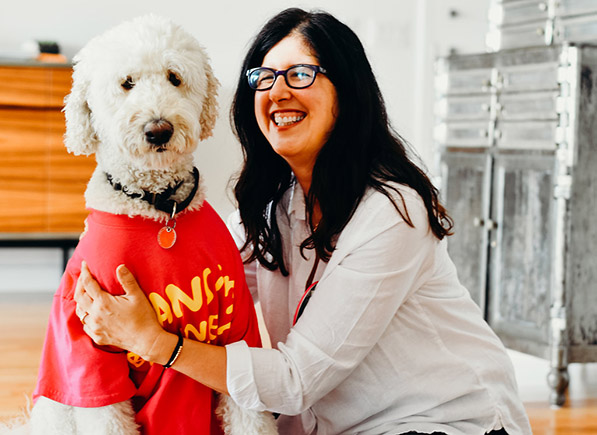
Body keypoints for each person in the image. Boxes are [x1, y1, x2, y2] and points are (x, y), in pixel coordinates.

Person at [74, 8, 532, 435]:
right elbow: (201, 288)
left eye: (300, 74)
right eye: (265, 77)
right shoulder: (274, 206)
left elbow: (295, 380)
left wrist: (153, 343)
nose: (277, 92)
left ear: (346, 93)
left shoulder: (393, 212)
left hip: (443, 421)